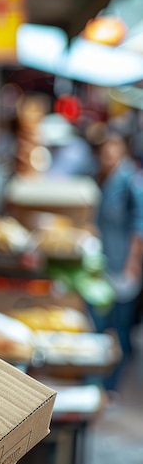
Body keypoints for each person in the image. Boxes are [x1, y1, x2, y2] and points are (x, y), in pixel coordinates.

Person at [91, 130, 143, 392]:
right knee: (103, 325)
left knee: (119, 329)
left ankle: (111, 386)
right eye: (104, 149)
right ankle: (102, 383)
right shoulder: (106, 179)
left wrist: (132, 265)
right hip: (106, 264)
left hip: (123, 266)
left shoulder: (131, 181)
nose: (108, 154)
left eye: (113, 148)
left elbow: (139, 227)